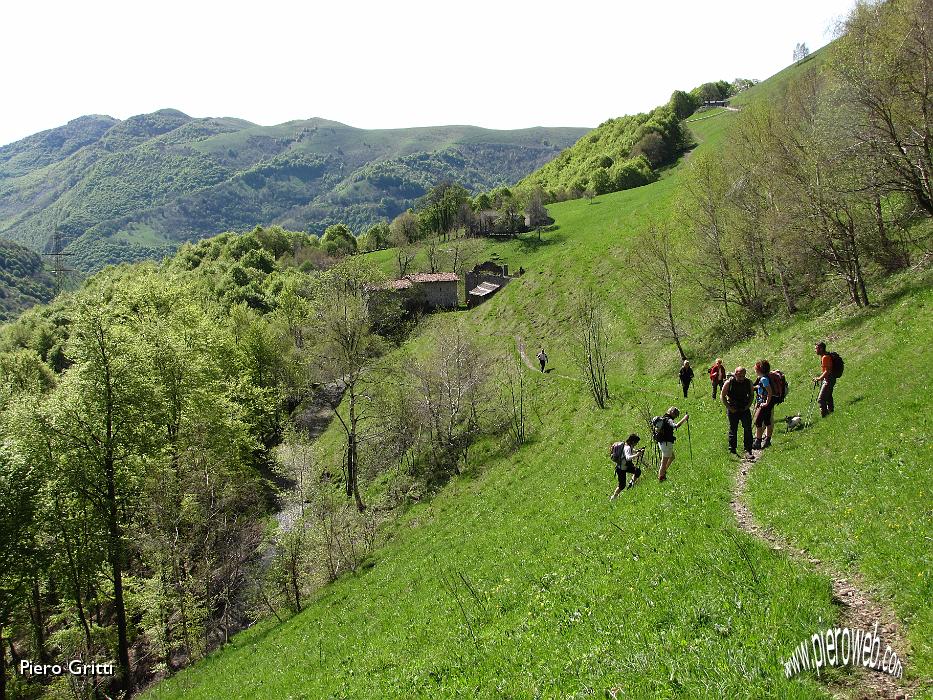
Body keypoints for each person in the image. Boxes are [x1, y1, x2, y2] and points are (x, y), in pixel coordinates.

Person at [721, 366, 754, 459]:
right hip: (733, 409)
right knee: (733, 429)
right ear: (735, 374)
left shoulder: (748, 382)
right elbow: (722, 396)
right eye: (739, 376)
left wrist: (748, 406)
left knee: (747, 428)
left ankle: (748, 450)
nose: (741, 378)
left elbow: (751, 395)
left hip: (744, 408)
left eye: (743, 376)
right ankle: (732, 450)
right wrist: (729, 407)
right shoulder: (729, 383)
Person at [654, 407, 688, 481]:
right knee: (664, 462)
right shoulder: (668, 420)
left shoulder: (663, 418)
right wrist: (685, 418)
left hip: (662, 443)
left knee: (672, 457)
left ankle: (663, 472)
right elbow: (676, 426)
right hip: (666, 443)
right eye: (675, 415)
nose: (675, 417)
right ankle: (661, 478)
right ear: (672, 413)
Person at [610, 434, 645, 500]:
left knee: (637, 471)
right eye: (636, 442)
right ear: (633, 442)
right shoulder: (628, 447)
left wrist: (638, 451)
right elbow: (628, 457)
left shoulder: (626, 445)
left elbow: (631, 450)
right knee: (622, 485)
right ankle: (614, 497)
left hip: (625, 466)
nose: (636, 444)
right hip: (621, 469)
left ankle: (631, 483)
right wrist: (636, 455)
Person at [752, 359, 774, 449]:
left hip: (764, 403)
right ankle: (767, 440)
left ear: (759, 369)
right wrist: (755, 387)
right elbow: (762, 387)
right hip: (766, 402)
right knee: (767, 420)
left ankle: (758, 441)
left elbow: (769, 392)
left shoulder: (764, 379)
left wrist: (766, 403)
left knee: (758, 421)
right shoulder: (764, 378)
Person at [813, 342, 836, 417]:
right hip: (830, 378)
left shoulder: (825, 357)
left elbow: (827, 371)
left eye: (816, 348)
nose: (815, 350)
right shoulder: (824, 356)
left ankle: (825, 416)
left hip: (829, 379)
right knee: (828, 396)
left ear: (821, 349)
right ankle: (831, 412)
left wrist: (819, 378)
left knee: (821, 399)